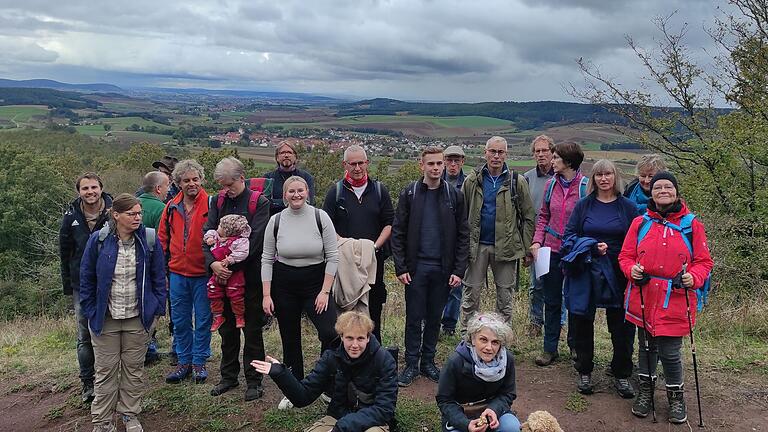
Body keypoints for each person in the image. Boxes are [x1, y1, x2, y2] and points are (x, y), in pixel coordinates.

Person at [619, 171, 714, 424]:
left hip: (675, 297)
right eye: (658, 187)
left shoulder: (691, 225)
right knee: (646, 348)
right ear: (651, 192)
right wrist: (632, 271)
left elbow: (704, 262)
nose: (663, 190)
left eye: (668, 187)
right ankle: (646, 393)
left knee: (671, 352)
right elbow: (625, 257)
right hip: (644, 294)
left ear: (676, 191)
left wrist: (693, 277)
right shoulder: (640, 223)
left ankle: (676, 397)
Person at [79, 193, 167, 432]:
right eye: (131, 214)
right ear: (116, 215)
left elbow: (159, 278)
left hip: (138, 319)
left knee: (133, 370)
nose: (137, 217)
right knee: (105, 372)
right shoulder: (98, 240)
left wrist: (156, 310)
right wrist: (89, 309)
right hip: (105, 320)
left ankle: (130, 415)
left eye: (139, 213)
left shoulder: (149, 240)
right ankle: (102, 421)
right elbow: (86, 278)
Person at [391, 146, 470, 387]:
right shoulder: (410, 193)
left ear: (444, 165)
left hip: (443, 270)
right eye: (431, 164)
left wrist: (458, 270)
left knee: (435, 317)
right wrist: (401, 267)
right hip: (416, 270)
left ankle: (428, 362)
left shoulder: (454, 196)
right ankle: (411, 364)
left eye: (439, 164)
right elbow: (398, 232)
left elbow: (463, 235)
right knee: (414, 318)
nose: (435, 168)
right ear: (421, 166)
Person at [560, 160, 638, 397]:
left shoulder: (628, 207)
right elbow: (569, 237)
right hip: (587, 270)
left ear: (615, 177)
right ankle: (584, 371)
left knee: (622, 325)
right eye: (599, 175)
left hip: (618, 271)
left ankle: (622, 373)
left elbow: (636, 240)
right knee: (582, 321)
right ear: (593, 179)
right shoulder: (584, 206)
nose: (604, 179)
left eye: (608, 174)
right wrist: (591, 246)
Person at [262, 175, 339, 409]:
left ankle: (328, 383)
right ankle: (293, 387)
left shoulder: (320, 217)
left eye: (300, 190)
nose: (296, 195)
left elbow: (333, 256)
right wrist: (267, 294)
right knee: (290, 337)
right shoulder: (275, 221)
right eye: (291, 191)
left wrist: (325, 292)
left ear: (307, 192)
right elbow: (266, 259)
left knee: (330, 333)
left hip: (316, 283)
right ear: (284, 195)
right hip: (284, 284)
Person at [252, 311, 397, 431]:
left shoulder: (384, 360)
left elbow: (384, 409)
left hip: (372, 420)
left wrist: (341, 428)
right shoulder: (331, 357)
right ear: (341, 337)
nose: (355, 345)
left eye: (360, 338)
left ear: (368, 338)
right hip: (337, 416)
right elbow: (303, 396)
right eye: (349, 338)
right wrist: (281, 374)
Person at [203, 157, 270, 401]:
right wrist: (213, 264)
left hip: (249, 280)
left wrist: (228, 264)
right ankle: (228, 377)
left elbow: (256, 243)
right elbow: (207, 235)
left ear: (242, 178)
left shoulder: (258, 203)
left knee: (252, 331)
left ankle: (254, 381)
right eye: (222, 185)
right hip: (221, 279)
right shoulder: (218, 201)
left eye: (229, 185)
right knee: (227, 330)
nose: (226, 190)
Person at [461, 136, 535, 330]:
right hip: (476, 246)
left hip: (507, 248)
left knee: (505, 298)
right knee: (471, 295)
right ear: (485, 153)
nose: (496, 156)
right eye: (492, 151)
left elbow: (528, 217)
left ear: (506, 154)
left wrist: (527, 249)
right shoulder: (472, 180)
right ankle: (467, 339)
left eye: (500, 152)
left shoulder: (516, 182)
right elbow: (461, 216)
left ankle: (502, 339)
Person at [323, 145, 394, 343]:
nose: (357, 168)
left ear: (367, 163)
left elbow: (389, 223)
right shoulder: (335, 192)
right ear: (344, 165)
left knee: (373, 306)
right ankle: (344, 349)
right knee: (345, 307)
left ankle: (373, 349)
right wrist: (345, 246)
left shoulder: (379, 191)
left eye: (360, 163)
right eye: (352, 163)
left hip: (373, 261)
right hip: (344, 263)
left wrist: (374, 247)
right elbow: (326, 225)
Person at [530, 142, 586, 367]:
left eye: (556, 158)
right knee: (551, 300)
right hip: (550, 251)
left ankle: (574, 345)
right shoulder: (551, 186)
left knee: (574, 301)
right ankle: (549, 348)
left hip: (575, 253)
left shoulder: (584, 187)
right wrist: (536, 241)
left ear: (568, 162)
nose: (551, 161)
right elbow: (543, 216)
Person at [59, 173, 113, 404]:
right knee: (84, 335)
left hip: (112, 281)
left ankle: (110, 380)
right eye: (85, 188)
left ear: (101, 188)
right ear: (78, 191)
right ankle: (87, 382)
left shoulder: (113, 213)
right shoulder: (70, 217)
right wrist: (68, 287)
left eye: (94, 187)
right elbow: (65, 254)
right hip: (82, 284)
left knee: (110, 331)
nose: (90, 192)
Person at [159, 160, 212, 385]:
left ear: (201, 179)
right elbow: (163, 238)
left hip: (203, 273)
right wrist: (161, 269)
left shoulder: (212, 203)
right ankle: (183, 361)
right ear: (178, 183)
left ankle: (199, 362)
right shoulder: (171, 206)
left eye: (195, 179)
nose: (192, 183)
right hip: (177, 273)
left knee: (203, 319)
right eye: (186, 180)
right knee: (180, 321)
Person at [436, 312, 520, 432]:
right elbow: (444, 400)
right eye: (483, 340)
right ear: (473, 339)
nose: (489, 347)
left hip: (492, 413)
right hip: (462, 415)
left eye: (495, 342)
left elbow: (508, 393)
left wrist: (494, 410)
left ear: (501, 344)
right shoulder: (456, 362)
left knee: (512, 428)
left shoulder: (507, 360)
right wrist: (465, 424)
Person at [522, 135, 555, 338]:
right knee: (537, 286)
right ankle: (535, 323)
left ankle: (558, 325)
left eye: (545, 150)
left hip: (557, 240)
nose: (541, 154)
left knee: (558, 286)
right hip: (536, 241)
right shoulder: (527, 178)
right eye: (537, 151)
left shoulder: (560, 177)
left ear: (553, 152)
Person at [138, 170, 170, 365]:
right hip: (154, 267)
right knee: (154, 307)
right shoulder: (162, 209)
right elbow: (163, 243)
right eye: (166, 186)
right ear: (158, 188)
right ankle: (148, 348)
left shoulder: (133, 204)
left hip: (134, 267)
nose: (168, 190)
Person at [205, 215, 251, 330]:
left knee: (235, 293)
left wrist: (230, 259)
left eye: (220, 226)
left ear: (228, 231)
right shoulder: (216, 235)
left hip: (233, 273)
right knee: (212, 290)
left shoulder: (239, 241)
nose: (218, 227)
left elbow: (243, 253)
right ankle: (217, 316)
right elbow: (208, 233)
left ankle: (239, 316)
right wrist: (208, 239)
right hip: (216, 271)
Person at [440, 145, 467, 336]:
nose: (452, 164)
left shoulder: (469, 184)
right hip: (436, 241)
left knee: (456, 286)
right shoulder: (433, 182)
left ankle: (449, 325)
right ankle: (431, 322)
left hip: (458, 241)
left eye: (456, 160)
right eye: (449, 160)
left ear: (462, 162)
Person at [263, 140, 316, 215]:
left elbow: (309, 202)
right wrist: (294, 201)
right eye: (282, 153)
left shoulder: (306, 177)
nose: (286, 155)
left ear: (295, 157)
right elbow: (266, 203)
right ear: (277, 157)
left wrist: (277, 202)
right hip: (276, 221)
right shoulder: (268, 178)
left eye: (289, 152)